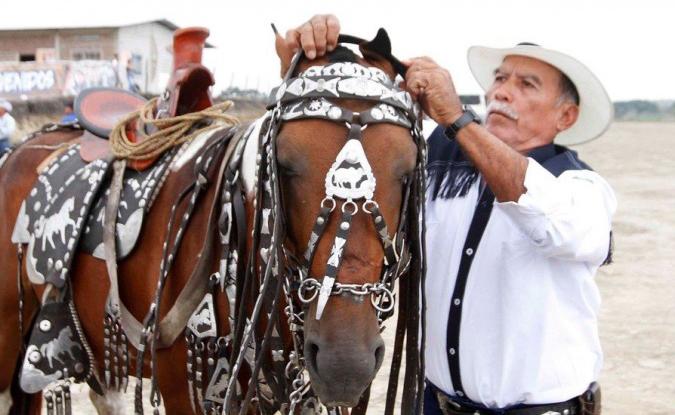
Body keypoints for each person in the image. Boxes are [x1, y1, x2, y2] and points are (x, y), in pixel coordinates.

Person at [279, 15, 615, 415]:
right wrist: (306, 73)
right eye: (500, 78)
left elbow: (551, 222)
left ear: (566, 117)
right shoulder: (437, 156)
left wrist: (456, 118)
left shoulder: (581, 189)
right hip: (434, 404)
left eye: (526, 85)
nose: (502, 92)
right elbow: (352, 144)